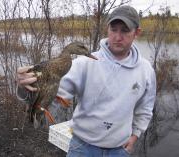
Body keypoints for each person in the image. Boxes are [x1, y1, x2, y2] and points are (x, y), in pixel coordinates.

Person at [16, 5, 156, 157]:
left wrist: (135, 135)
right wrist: (26, 87)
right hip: (82, 148)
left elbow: (145, 108)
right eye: (114, 29)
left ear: (137, 32)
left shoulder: (146, 70)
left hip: (119, 149)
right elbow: (51, 93)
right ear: (107, 29)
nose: (117, 36)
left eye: (125, 30)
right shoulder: (83, 64)